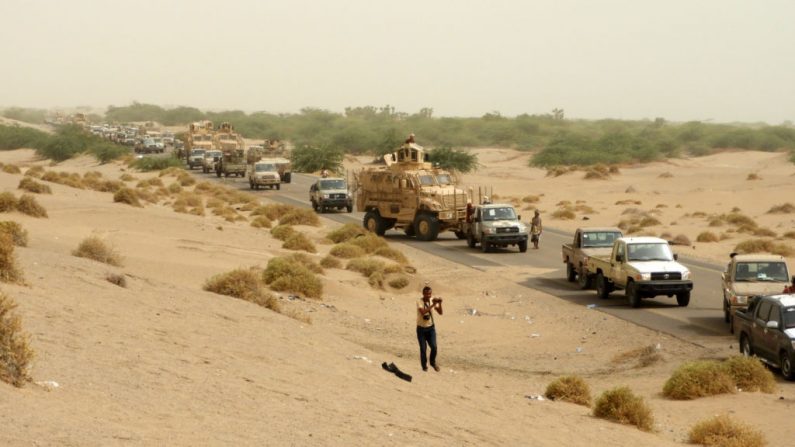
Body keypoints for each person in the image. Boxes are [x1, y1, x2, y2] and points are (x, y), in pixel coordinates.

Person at [416, 285, 443, 372]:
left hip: (431, 328)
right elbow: (423, 312)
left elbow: (440, 312)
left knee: (434, 347)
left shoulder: (432, 300)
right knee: (423, 349)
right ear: (423, 293)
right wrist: (433, 305)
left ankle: (432, 362)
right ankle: (424, 366)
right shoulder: (419, 301)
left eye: (430, 294)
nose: (428, 296)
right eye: (427, 294)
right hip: (421, 329)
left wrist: (439, 304)